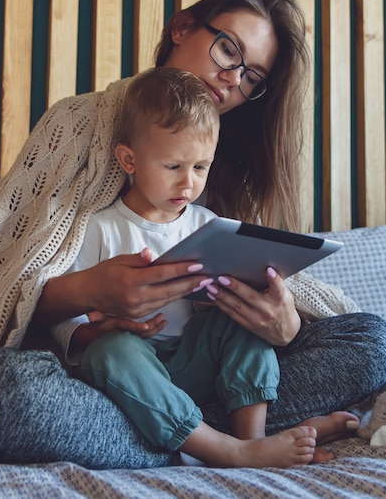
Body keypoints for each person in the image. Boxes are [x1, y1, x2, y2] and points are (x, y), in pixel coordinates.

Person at [0, 0, 385, 470]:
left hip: (203, 368)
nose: (231, 79)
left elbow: (267, 305)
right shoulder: (77, 124)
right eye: (229, 50)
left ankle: (200, 439)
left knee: (370, 342)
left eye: (252, 76)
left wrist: (283, 324)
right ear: (182, 28)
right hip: (107, 373)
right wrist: (90, 290)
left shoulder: (233, 164)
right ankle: (221, 443)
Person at [52, 66, 317, 469]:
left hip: (193, 358)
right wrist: (98, 328)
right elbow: (66, 323)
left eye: (200, 167)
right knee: (109, 350)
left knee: (241, 321)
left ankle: (253, 439)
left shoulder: (208, 226)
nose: (188, 184)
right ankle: (225, 450)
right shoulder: (99, 228)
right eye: (173, 167)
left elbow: (222, 304)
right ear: (129, 159)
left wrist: (223, 299)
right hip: (134, 368)